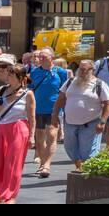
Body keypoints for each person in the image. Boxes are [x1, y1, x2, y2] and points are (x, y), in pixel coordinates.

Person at [0, 58, 35, 203]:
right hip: (0, 128)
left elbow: (32, 117)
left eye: (11, 74)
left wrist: (32, 137)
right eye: (8, 73)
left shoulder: (28, 94)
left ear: (20, 78)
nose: (8, 76)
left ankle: (10, 195)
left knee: (13, 164)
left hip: (19, 128)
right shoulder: (1, 89)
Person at [52, 59, 109, 171]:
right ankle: (80, 168)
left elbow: (108, 104)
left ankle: (86, 173)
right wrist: (55, 114)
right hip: (70, 123)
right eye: (80, 69)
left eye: (85, 70)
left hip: (90, 123)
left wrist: (103, 121)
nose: (82, 72)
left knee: (88, 153)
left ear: (93, 70)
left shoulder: (100, 84)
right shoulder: (70, 82)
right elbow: (60, 98)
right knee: (70, 149)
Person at [29, 46, 69, 179]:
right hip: (38, 109)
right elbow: (30, 90)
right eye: (39, 56)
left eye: (43, 56)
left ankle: (46, 165)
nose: (40, 58)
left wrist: (63, 108)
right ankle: (42, 163)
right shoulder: (34, 72)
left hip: (54, 110)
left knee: (52, 137)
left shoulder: (61, 72)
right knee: (40, 139)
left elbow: (64, 91)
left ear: (52, 58)